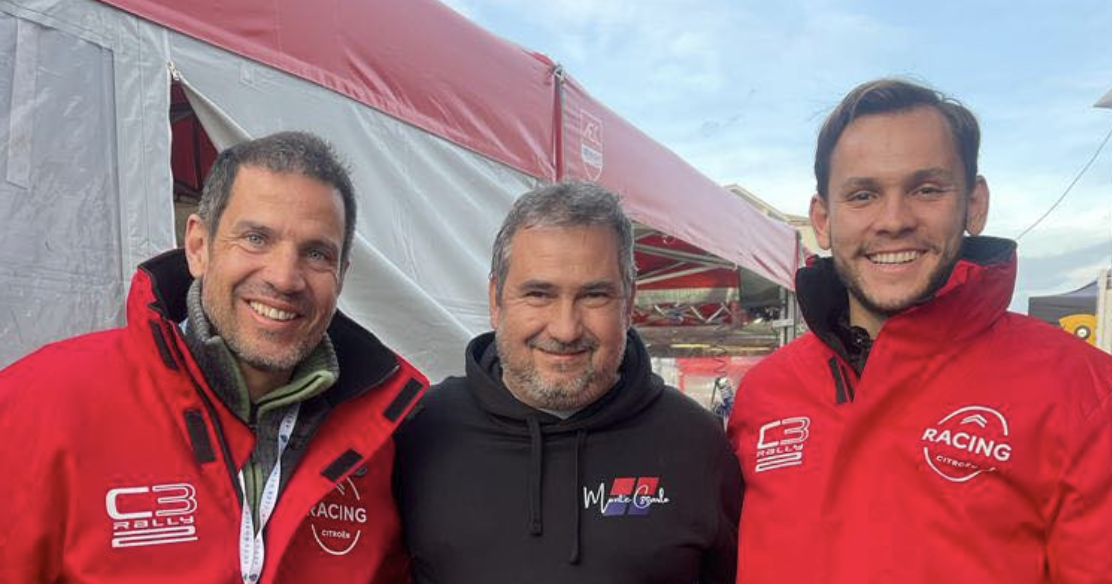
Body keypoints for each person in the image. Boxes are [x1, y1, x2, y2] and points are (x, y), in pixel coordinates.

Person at [727, 78, 1112, 583]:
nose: (894, 220)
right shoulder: (764, 393)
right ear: (822, 219)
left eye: (926, 189)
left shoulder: (1084, 392)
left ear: (974, 204)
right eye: (862, 195)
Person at [0, 131, 427, 583]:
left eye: (316, 253)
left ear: (341, 275)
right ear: (198, 247)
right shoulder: (42, 404)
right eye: (256, 238)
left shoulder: (386, 440)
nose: (285, 278)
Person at [395, 181, 742, 584]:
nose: (565, 329)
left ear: (629, 302)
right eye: (539, 294)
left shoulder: (696, 442)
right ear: (496, 299)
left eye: (594, 296)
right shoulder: (419, 430)